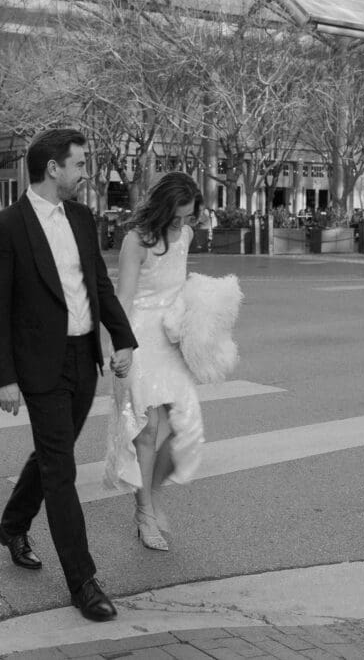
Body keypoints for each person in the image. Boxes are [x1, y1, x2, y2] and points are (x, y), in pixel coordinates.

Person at [0, 128, 138, 623]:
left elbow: (99, 283)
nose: (86, 171)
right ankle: (83, 582)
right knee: (61, 470)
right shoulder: (6, 228)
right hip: (39, 365)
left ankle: (12, 525)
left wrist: (124, 337)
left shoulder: (82, 218)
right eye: (80, 163)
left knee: (54, 455)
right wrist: (2, 378)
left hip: (83, 359)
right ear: (54, 168)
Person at [104, 172, 205, 552]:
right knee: (147, 429)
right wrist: (119, 346)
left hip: (172, 337)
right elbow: (123, 297)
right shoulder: (137, 240)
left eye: (188, 218)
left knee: (182, 427)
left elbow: (182, 285)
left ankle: (151, 493)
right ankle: (144, 513)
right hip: (141, 337)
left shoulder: (187, 236)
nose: (182, 225)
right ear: (162, 208)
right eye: (176, 218)